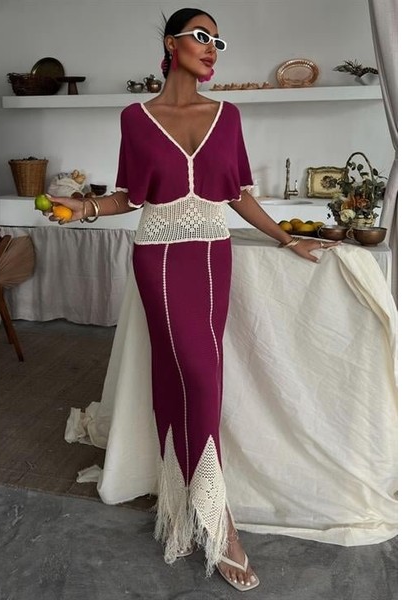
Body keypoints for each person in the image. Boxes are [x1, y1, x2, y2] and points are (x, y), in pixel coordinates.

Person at [44, 7, 340, 592]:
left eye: (217, 42)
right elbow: (130, 197)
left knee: (202, 376)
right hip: (157, 257)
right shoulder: (136, 118)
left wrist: (287, 239)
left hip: (213, 258)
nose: (211, 49)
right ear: (171, 43)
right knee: (189, 376)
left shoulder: (227, 117)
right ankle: (216, 518)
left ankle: (186, 497)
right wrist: (83, 207)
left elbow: (239, 195)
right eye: (202, 37)